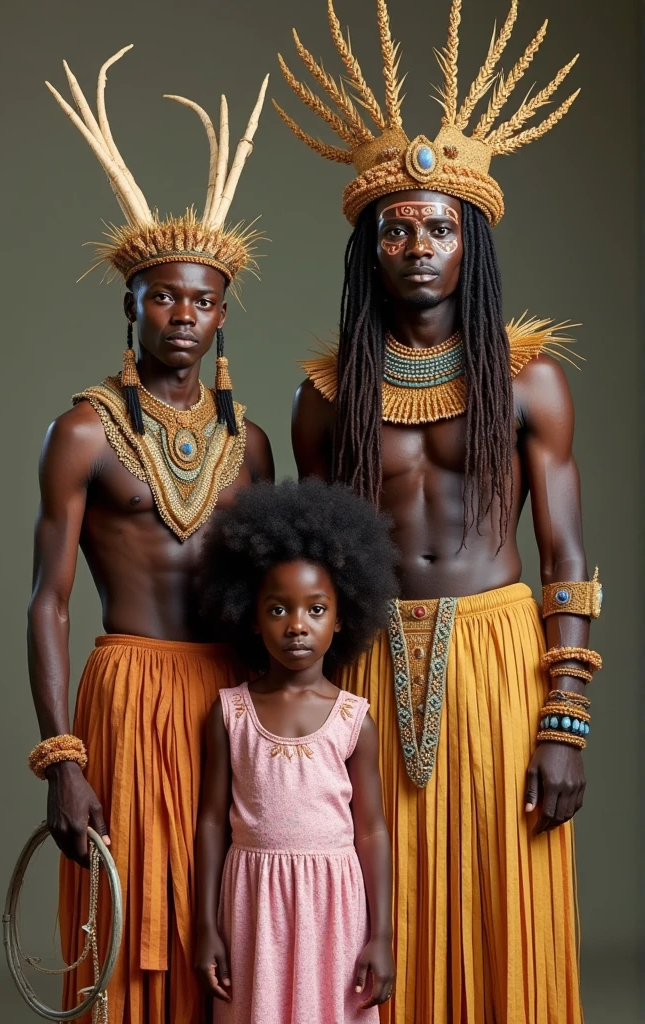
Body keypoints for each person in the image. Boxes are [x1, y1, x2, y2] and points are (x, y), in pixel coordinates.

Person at [276, 2, 602, 1022]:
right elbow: (317, 567)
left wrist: (564, 718)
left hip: (500, 658)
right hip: (368, 665)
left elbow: (563, 551)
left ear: (470, 244)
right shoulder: (327, 396)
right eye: (395, 228)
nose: (416, 243)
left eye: (438, 226)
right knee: (371, 899)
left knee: (500, 891)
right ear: (368, 248)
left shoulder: (529, 381)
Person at [27, 46, 273, 1023]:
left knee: (234, 922)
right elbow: (46, 598)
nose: (183, 312)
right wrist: (63, 757)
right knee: (133, 929)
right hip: (127, 690)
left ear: (221, 313)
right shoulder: (82, 430)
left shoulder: (249, 441)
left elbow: (286, 587)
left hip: (230, 694)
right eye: (164, 295)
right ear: (130, 302)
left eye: (202, 299)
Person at [194, 479, 398, 1023]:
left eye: (315, 608)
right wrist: (205, 924)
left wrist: (382, 934)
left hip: (334, 906)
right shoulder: (230, 713)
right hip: (253, 904)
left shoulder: (354, 719)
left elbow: (372, 828)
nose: (296, 625)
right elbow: (212, 822)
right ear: (252, 617)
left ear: (341, 617)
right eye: (278, 609)